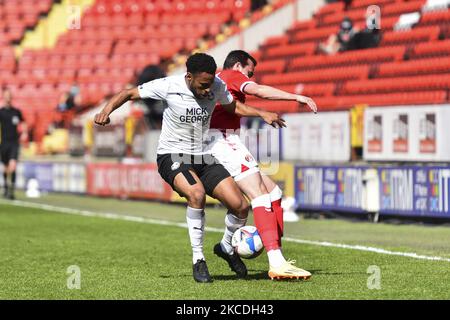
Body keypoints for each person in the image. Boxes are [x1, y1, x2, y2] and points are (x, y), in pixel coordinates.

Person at [93, 53, 281, 283]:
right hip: (172, 155)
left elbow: (233, 107)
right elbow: (128, 93)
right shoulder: (169, 85)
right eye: (202, 85)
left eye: (210, 84)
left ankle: (225, 247)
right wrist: (106, 111)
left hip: (204, 155)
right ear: (189, 77)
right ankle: (198, 259)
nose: (207, 90)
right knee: (196, 194)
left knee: (241, 206)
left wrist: (262, 113)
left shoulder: (217, 85)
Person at [209, 50, 317, 280]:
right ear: (238, 65)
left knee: (273, 192)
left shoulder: (220, 78)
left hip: (224, 138)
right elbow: (259, 91)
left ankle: (261, 250)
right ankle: (276, 262)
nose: (251, 76)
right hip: (221, 138)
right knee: (259, 195)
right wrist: (297, 97)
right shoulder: (230, 75)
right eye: (250, 71)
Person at [0, 89, 27, 200]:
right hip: (3, 143)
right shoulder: (1, 112)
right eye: (6, 96)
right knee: (6, 167)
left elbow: (23, 122)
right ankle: (6, 187)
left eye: (10, 96)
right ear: (3, 97)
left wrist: (24, 132)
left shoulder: (16, 112)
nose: (8, 98)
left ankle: (12, 190)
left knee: (13, 165)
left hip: (14, 143)